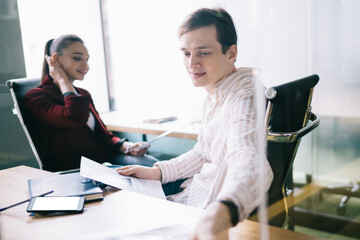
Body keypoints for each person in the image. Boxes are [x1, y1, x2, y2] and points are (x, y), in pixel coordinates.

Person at [116, 7, 273, 239]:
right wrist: (157, 173)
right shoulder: (217, 92)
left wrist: (222, 212)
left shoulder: (243, 97)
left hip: (208, 211)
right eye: (186, 53)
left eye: (203, 53)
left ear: (230, 54)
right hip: (193, 198)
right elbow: (203, 153)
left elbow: (250, 162)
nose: (192, 64)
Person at [25, 34, 158, 172]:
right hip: (76, 171)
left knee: (154, 166)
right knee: (151, 171)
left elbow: (103, 134)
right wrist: (62, 80)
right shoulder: (36, 96)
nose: (85, 65)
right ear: (56, 60)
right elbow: (75, 117)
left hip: (102, 163)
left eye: (87, 59)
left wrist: (127, 147)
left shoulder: (82, 94)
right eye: (77, 58)